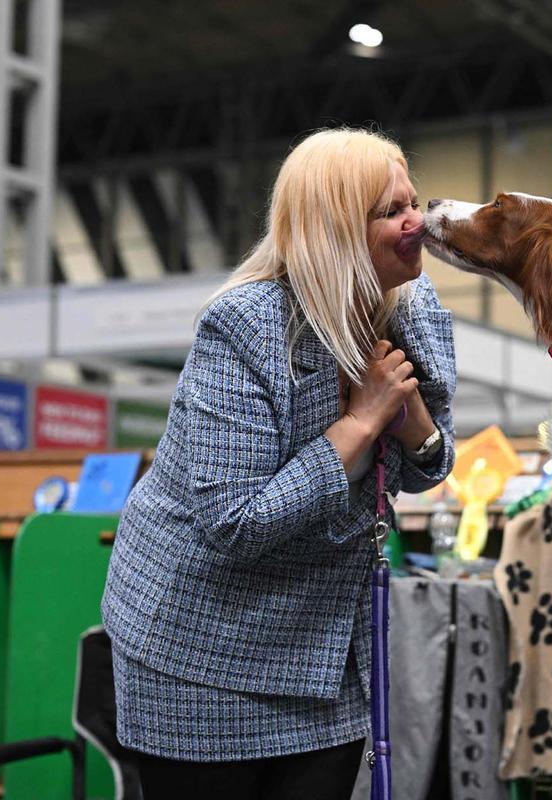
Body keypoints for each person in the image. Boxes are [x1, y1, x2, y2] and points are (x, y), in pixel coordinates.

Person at [101, 128, 456, 800]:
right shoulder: (246, 325)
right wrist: (360, 423)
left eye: (415, 201)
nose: (420, 222)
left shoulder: (417, 310)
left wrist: (412, 427)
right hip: (199, 658)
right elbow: (236, 521)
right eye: (392, 211)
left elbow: (430, 466)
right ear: (336, 231)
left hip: (323, 658)